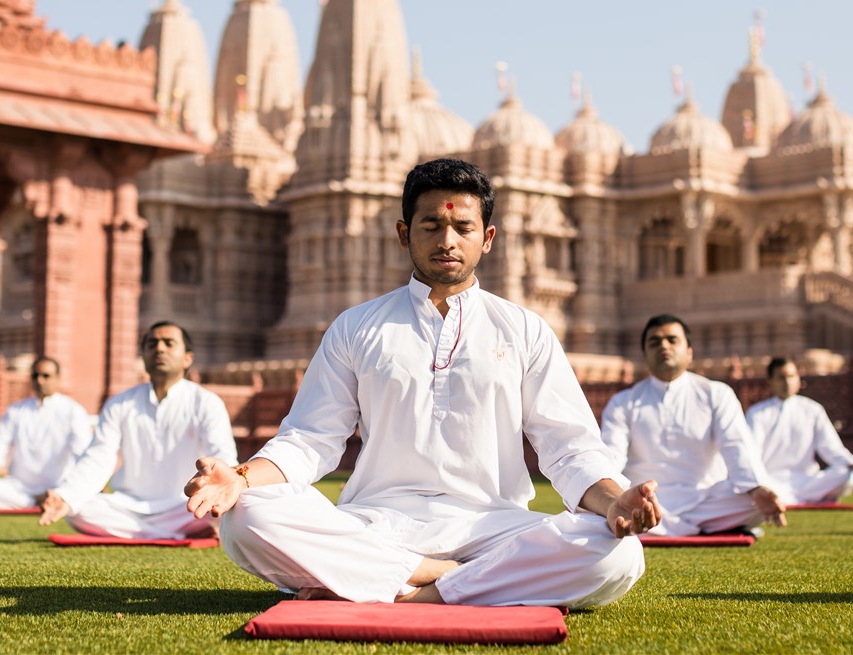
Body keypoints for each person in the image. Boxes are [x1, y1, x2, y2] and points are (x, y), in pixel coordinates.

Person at [184, 158, 661, 608]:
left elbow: (570, 447)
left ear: (488, 238)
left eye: (463, 228)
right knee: (246, 517)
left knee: (619, 553)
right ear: (404, 234)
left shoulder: (523, 329)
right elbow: (310, 438)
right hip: (376, 521)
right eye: (431, 226)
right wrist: (242, 476)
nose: (447, 240)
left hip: (493, 525)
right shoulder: (357, 326)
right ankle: (442, 575)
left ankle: (411, 588)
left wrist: (612, 499)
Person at [39, 321, 237, 539]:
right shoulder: (120, 403)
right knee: (77, 508)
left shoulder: (206, 402)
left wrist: (218, 490)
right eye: (152, 344)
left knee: (224, 507)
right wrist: (66, 496)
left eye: (168, 343)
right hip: (127, 507)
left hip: (183, 507)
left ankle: (150, 533)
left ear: (187, 358)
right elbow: (99, 457)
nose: (159, 349)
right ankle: (170, 535)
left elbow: (222, 456)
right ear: (143, 356)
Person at [600, 314, 787, 537]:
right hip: (645, 500)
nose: (663, 346)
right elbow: (612, 455)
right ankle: (691, 527)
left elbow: (736, 444)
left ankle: (659, 528)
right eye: (654, 342)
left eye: (672, 340)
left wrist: (756, 488)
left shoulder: (716, 394)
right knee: (601, 504)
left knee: (760, 498)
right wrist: (611, 496)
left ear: (689, 352)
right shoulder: (624, 402)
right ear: (645, 355)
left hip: (704, 499)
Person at [0, 356, 91, 510]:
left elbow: (82, 453)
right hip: (19, 489)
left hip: (56, 487)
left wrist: (86, 484)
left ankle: (51, 499)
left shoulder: (73, 411)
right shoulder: (16, 411)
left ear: (57, 378)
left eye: (46, 376)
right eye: (35, 376)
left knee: (74, 494)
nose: (40, 381)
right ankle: (39, 502)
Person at [746, 357, 853, 505]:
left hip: (807, 481)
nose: (787, 382)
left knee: (848, 475)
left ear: (798, 378)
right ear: (770, 381)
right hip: (773, 481)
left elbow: (830, 447)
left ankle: (796, 498)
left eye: (791, 376)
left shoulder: (813, 409)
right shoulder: (757, 413)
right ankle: (804, 498)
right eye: (781, 378)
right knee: (757, 489)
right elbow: (752, 454)